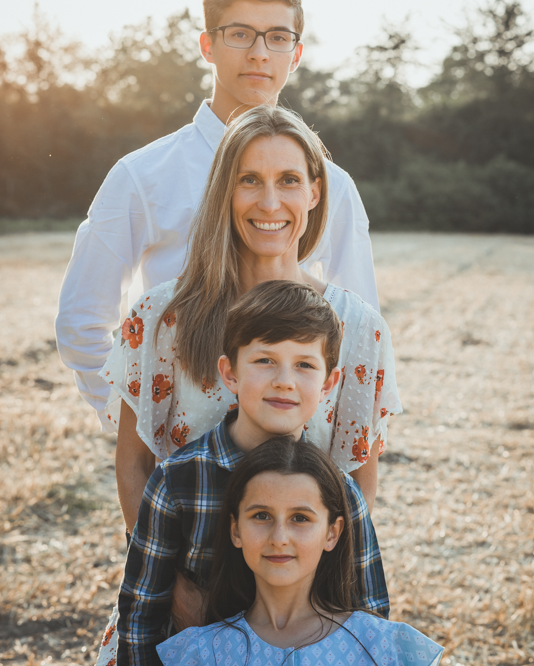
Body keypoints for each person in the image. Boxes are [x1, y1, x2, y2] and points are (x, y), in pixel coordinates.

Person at [55, 0, 379, 433]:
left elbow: (356, 334)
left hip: (292, 464)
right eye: (241, 34)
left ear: (296, 53)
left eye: (277, 37)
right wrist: (141, 426)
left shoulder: (331, 185)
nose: (260, 54)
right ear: (208, 45)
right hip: (178, 456)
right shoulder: (141, 176)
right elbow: (82, 322)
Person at [102, 106, 402, 536]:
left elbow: (357, 484)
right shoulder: (161, 317)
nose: (269, 202)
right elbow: (135, 465)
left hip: (300, 590)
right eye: (249, 180)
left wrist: (312, 597)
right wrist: (174, 590)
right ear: (225, 190)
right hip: (180, 579)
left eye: (289, 180)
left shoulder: (359, 328)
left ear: (315, 193)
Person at [101, 280, 390, 666]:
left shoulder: (340, 494)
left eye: (304, 364)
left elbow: (370, 620)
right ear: (230, 373)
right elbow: (141, 617)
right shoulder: (177, 481)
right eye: (264, 360)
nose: (284, 380)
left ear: (328, 384)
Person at [157, 436, 444, 666]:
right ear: (235, 530)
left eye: (300, 518)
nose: (279, 538)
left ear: (332, 533)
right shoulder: (200, 653)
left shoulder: (385, 648)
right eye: (261, 516)